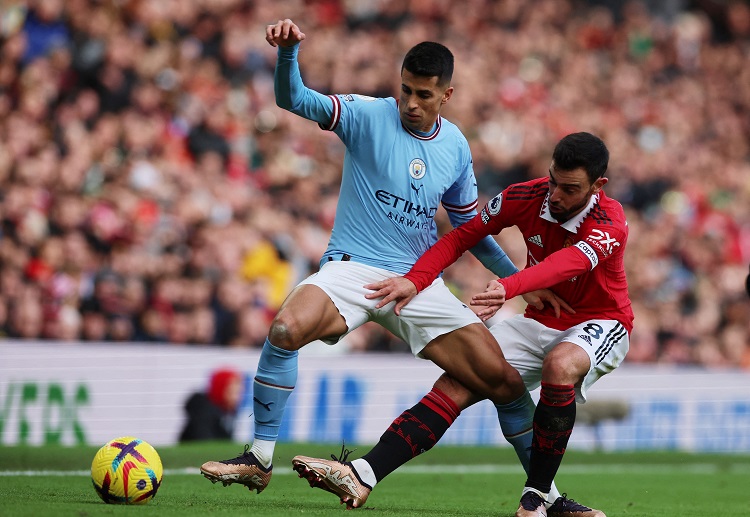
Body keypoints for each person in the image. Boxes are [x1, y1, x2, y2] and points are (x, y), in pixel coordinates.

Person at [199, 17, 564, 497]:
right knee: (285, 329)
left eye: (424, 95)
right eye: (406, 90)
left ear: (446, 97)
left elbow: (471, 230)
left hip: (417, 281)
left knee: (504, 382)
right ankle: (259, 458)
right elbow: (294, 99)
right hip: (352, 268)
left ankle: (546, 497)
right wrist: (288, 54)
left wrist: (521, 279)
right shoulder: (367, 114)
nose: (411, 103)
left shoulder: (454, 147)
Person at [292, 132, 631, 517]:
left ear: (597, 186)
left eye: (570, 189)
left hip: (601, 321)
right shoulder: (526, 196)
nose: (555, 194)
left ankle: (535, 496)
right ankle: (363, 473)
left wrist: (509, 285)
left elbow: (567, 263)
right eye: (553, 180)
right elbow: (461, 237)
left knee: (560, 366)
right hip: (539, 321)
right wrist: (415, 279)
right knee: (460, 378)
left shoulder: (611, 221)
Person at [179, 368, 243, 442]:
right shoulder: (204, 412)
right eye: (232, 392)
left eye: (238, 393)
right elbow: (205, 443)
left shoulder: (225, 414)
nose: (236, 398)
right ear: (220, 389)